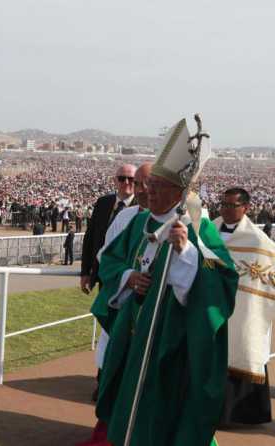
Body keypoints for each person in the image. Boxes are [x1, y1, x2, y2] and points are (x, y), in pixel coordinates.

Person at [86, 122, 238, 446]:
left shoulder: (199, 229)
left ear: (178, 192)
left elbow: (223, 277)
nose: (147, 192)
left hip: (172, 342)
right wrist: (128, 278)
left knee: (163, 419)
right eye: (147, 185)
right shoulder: (140, 220)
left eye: (156, 186)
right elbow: (111, 261)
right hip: (133, 336)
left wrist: (186, 252)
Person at [213, 187, 275, 426]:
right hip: (211, 305)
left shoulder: (259, 242)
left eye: (232, 205)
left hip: (242, 309)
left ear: (246, 208)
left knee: (240, 346)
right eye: (223, 204)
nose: (226, 210)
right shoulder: (209, 230)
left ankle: (236, 414)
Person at [91, 162, 152, 402]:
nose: (140, 189)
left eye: (146, 184)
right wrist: (128, 276)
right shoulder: (126, 216)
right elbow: (105, 255)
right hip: (124, 301)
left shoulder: (187, 221)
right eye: (137, 184)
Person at [80, 164, 137, 296]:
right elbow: (90, 238)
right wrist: (85, 272)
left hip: (128, 275)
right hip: (103, 274)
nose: (127, 182)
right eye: (122, 178)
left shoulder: (142, 207)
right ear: (115, 181)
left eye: (131, 179)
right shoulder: (103, 202)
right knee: (104, 314)